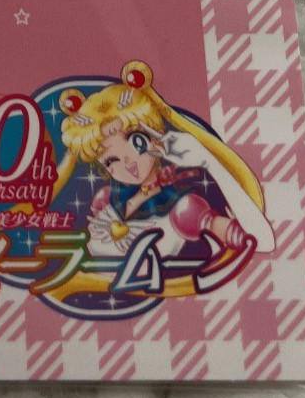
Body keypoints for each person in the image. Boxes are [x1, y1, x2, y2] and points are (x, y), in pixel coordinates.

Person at [53, 60, 275, 258]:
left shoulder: (185, 209)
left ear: (154, 135)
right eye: (111, 161)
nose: (127, 162)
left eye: (135, 141)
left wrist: (208, 161)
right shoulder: (104, 200)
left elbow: (261, 242)